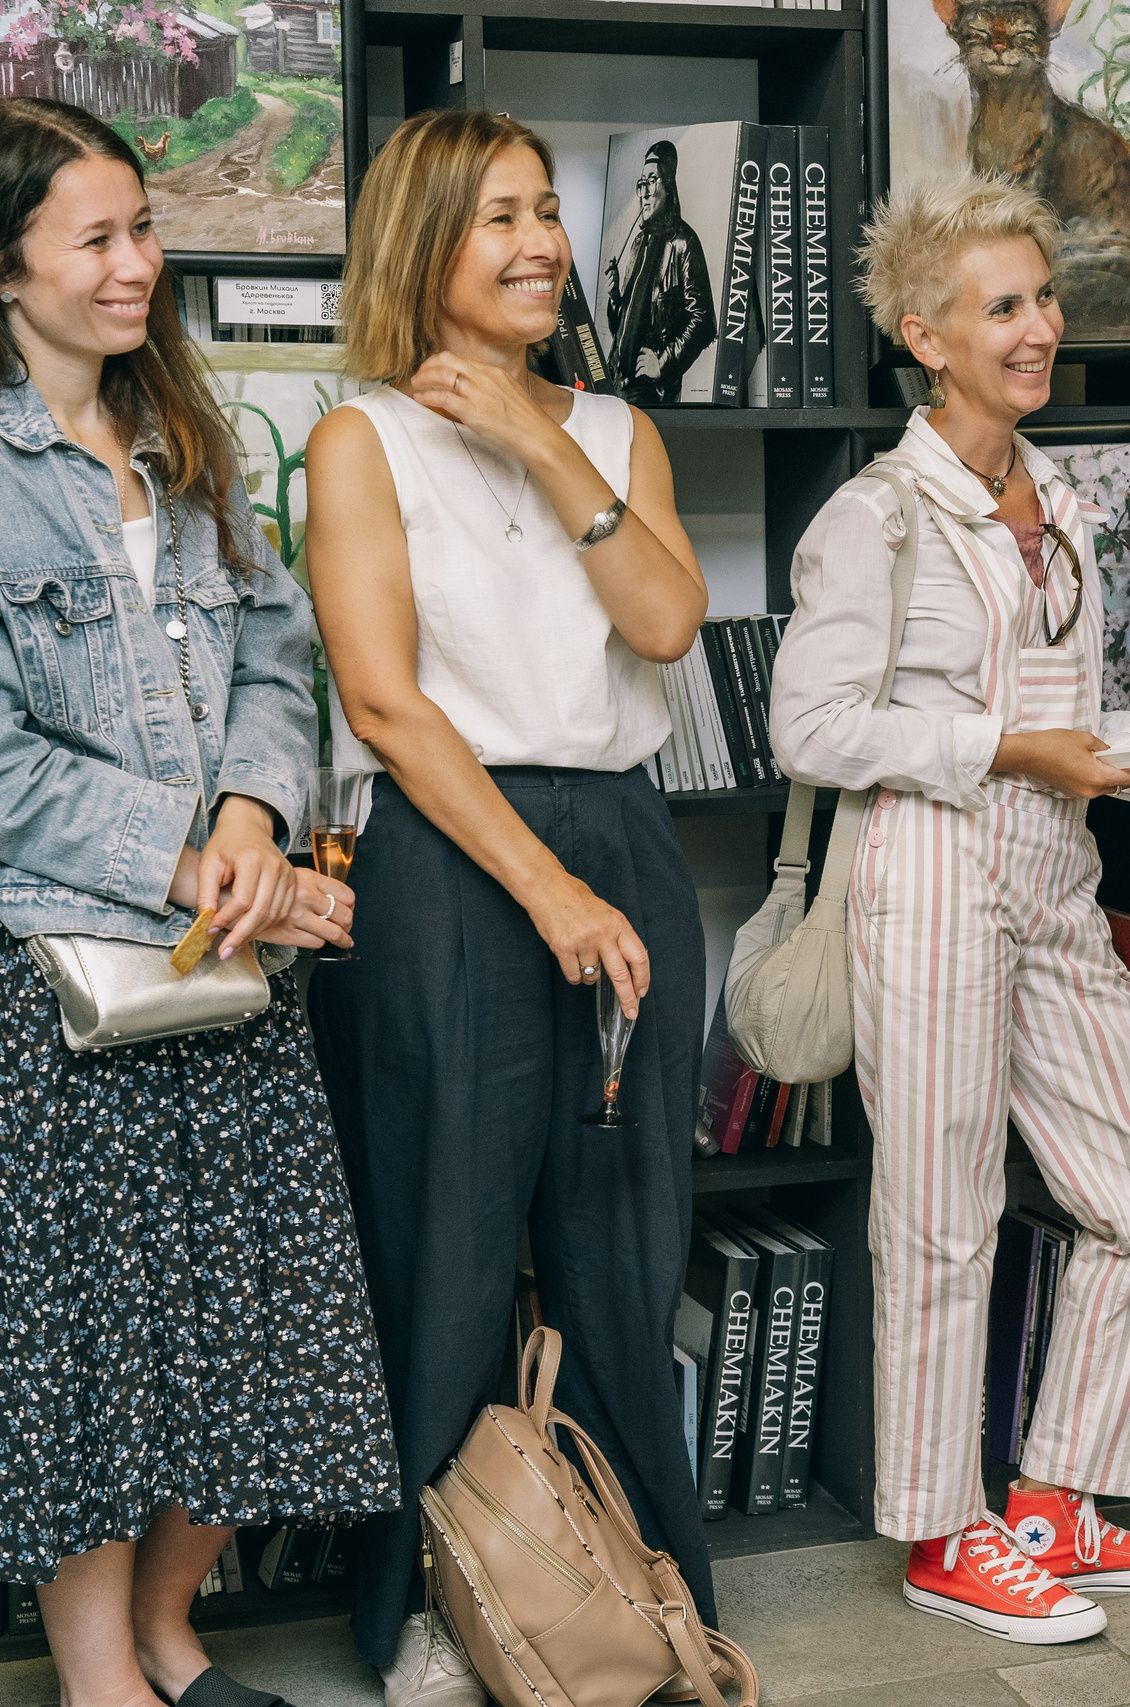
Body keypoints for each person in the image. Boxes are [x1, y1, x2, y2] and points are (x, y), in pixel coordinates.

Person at [0, 96, 392, 1707]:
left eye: (143, 226)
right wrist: (188, 848)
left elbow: (279, 652)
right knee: (85, 1360)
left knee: (253, 1335)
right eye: (99, 238)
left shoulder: (183, 438)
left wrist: (248, 810)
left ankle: (169, 1625)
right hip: (63, 979)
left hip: (225, 963)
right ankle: (103, 1676)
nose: (139, 262)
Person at [768, 173, 1130, 1648]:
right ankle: (942, 1527)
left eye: (1043, 298)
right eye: (1004, 307)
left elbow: (1068, 710)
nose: (1040, 328)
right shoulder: (879, 517)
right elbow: (811, 727)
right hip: (927, 874)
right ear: (926, 335)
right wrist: (1006, 750)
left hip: (1052, 873)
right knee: (945, 1213)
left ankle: (1053, 1495)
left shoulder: (1062, 500)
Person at [303, 109, 718, 1705]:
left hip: (622, 834)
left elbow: (671, 621)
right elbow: (387, 706)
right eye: (499, 218)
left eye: (549, 211)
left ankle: (632, 1578)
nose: (541, 240)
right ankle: (427, 1604)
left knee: (623, 1236)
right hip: (450, 862)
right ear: (425, 243)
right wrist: (540, 887)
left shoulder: (611, 431)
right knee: (446, 1239)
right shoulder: (362, 440)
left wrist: (549, 441)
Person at [603, 139, 715, 407]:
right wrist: (615, 297)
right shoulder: (640, 242)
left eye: (652, 181)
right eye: (641, 183)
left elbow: (703, 322)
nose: (644, 192)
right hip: (616, 381)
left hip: (652, 391)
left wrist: (662, 363)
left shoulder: (684, 243)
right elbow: (626, 326)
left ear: (669, 184)